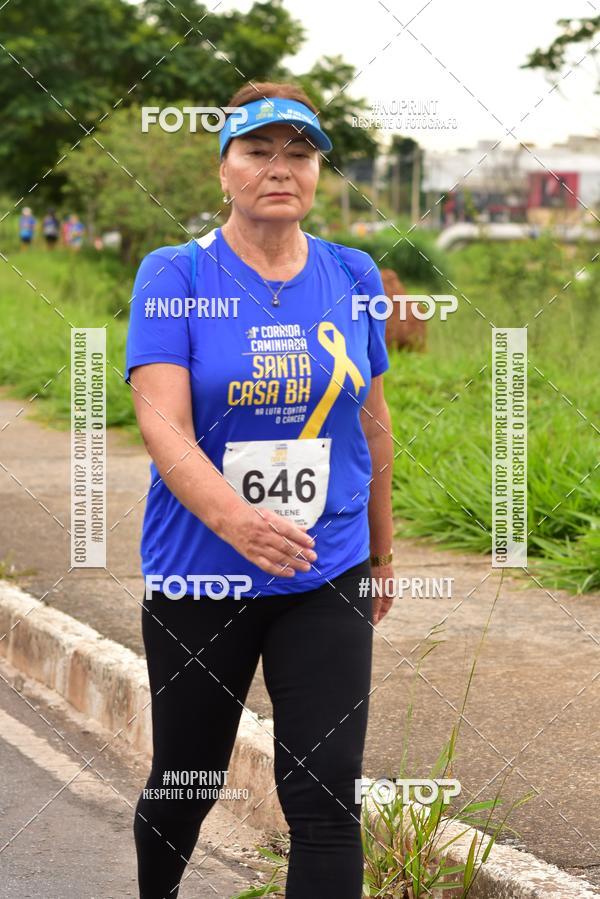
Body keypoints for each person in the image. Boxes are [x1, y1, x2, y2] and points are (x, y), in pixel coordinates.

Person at [125, 80, 395, 899]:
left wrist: (383, 549)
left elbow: (374, 424)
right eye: (258, 151)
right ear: (224, 170)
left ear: (317, 173)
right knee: (186, 781)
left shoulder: (352, 274)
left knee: (323, 795)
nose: (280, 168)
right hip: (202, 572)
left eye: (300, 153)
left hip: (326, 568)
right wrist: (237, 520)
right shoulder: (174, 272)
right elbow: (162, 423)